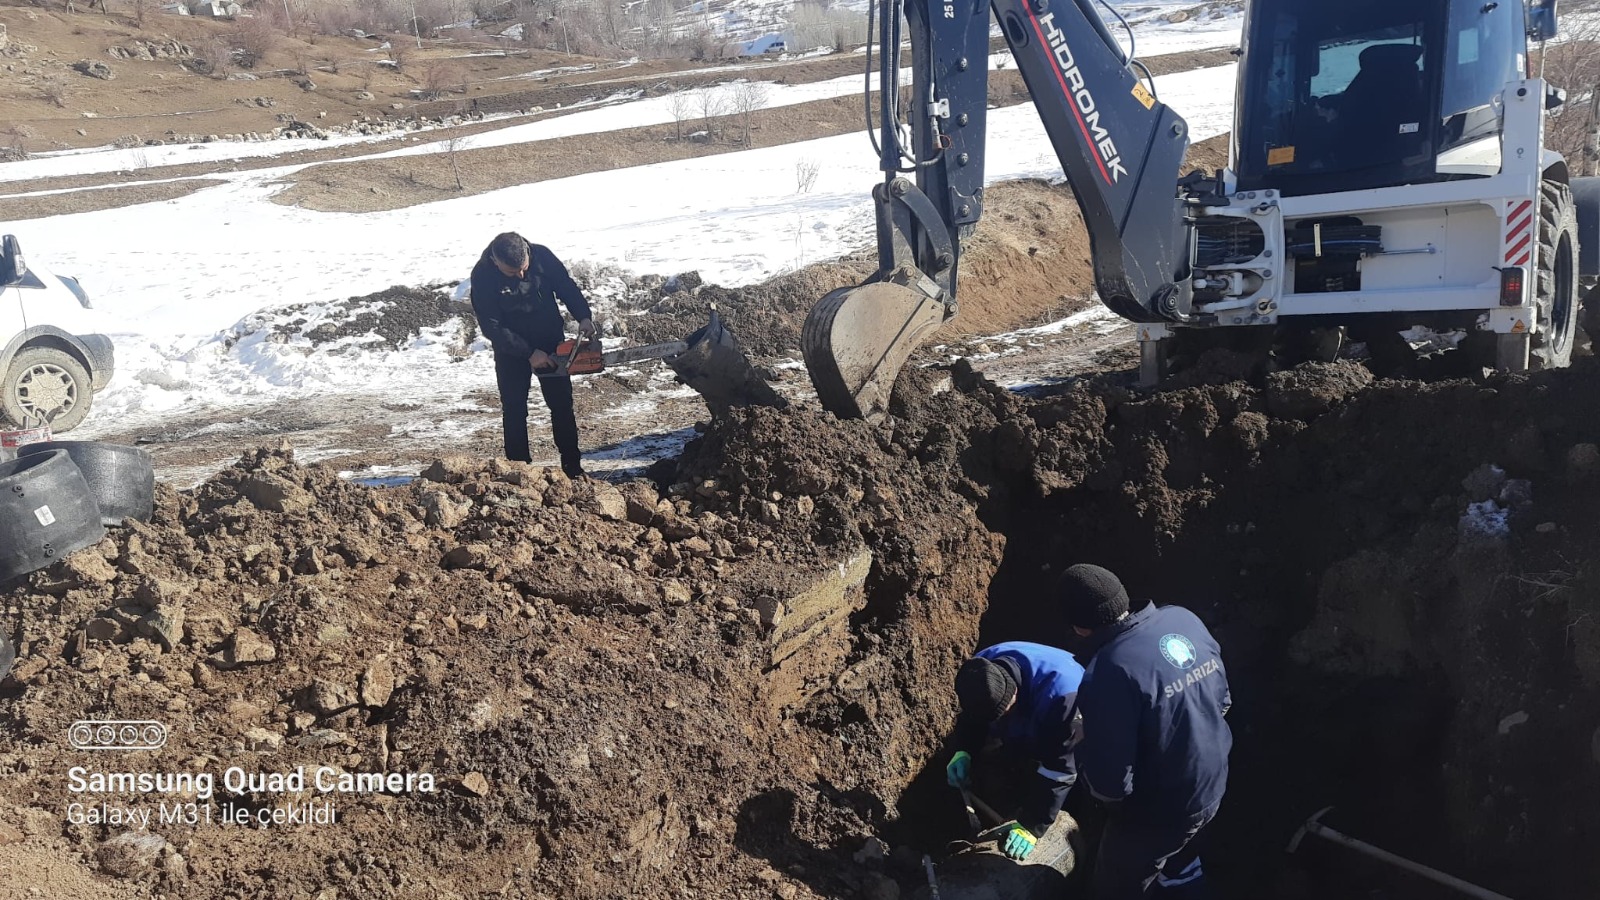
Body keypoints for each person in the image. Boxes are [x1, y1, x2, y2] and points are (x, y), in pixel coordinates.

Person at [1060, 564, 1231, 899]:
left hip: (1160, 809)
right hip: (1212, 781)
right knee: (1182, 860)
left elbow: (1112, 785)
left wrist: (1084, 745)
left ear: (1079, 628)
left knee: (1116, 885)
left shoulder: (1109, 671)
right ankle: (1183, 879)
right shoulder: (1182, 619)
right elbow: (1222, 701)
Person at [469, 232, 595, 477]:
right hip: (511, 350)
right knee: (515, 408)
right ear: (496, 262)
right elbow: (491, 325)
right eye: (512, 273)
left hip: (550, 342)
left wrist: (584, 316)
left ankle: (572, 466)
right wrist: (528, 353)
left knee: (561, 405)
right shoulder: (483, 275)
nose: (521, 276)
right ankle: (520, 471)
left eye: (524, 269)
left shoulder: (542, 256)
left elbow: (566, 286)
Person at [945, 641, 1084, 862]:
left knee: (1074, 783)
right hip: (1032, 715)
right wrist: (964, 750)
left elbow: (1062, 770)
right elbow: (973, 717)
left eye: (1005, 711)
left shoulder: (1066, 698)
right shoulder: (981, 670)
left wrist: (1033, 825)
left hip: (1078, 729)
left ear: (1015, 691)